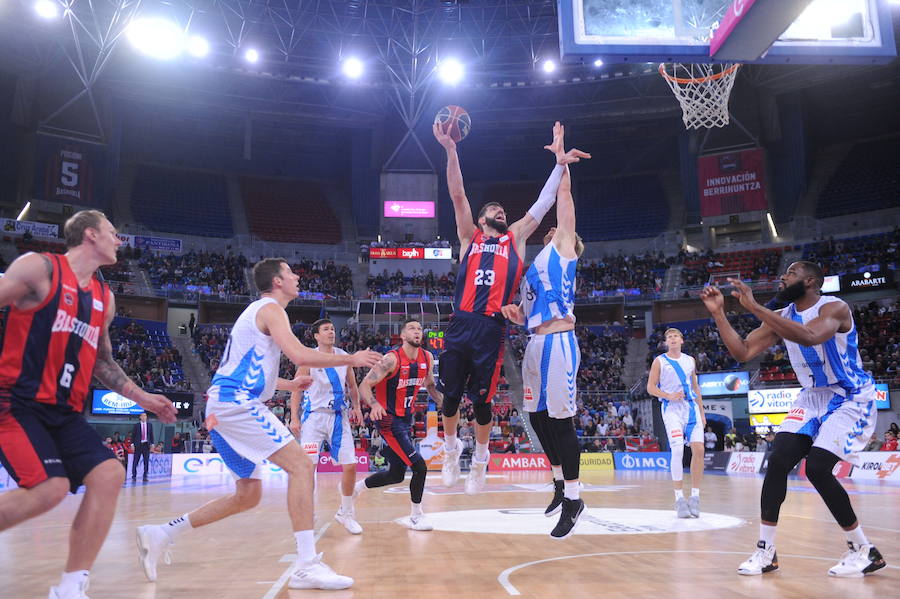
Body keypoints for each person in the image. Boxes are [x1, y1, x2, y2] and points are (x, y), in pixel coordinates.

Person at [135, 258, 381, 590]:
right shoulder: (270, 309)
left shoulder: (258, 314)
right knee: (301, 467)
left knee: (247, 495)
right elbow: (301, 356)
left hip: (224, 406)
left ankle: (163, 532)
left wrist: (290, 386)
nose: (296, 277)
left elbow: (250, 369)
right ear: (277, 281)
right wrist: (351, 358)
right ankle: (306, 566)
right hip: (237, 405)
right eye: (290, 273)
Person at [0, 210, 177, 599]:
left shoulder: (104, 299)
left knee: (109, 475)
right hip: (17, 402)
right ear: (91, 234)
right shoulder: (39, 269)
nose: (120, 241)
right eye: (115, 233)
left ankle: (70, 586)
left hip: (64, 411)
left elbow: (102, 362)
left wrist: (146, 398)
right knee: (49, 489)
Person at [700, 261, 886, 577]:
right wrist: (719, 314)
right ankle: (765, 551)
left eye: (791, 273)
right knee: (777, 461)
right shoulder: (782, 317)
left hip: (850, 395)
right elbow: (743, 352)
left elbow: (811, 337)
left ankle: (864, 549)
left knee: (816, 468)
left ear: (812, 281)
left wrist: (756, 307)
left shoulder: (835, 307)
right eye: (784, 272)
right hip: (812, 397)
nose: (783, 277)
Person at [433, 119, 589, 495]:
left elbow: (545, 202)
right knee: (450, 398)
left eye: (504, 211)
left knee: (483, 404)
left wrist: (559, 164)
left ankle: (481, 460)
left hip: (490, 328)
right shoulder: (469, 236)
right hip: (461, 322)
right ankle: (452, 450)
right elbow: (457, 194)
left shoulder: (515, 239)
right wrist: (451, 150)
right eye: (495, 211)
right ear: (483, 219)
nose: (501, 213)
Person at [502, 157, 589, 539]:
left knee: (559, 420)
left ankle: (574, 497)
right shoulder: (534, 266)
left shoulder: (564, 250)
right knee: (536, 417)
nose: (553, 228)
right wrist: (515, 315)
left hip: (558, 342)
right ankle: (557, 480)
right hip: (535, 341)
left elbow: (564, 198)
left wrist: (561, 161)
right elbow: (527, 314)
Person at [354, 317, 442, 530]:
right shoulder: (391, 360)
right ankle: (416, 516)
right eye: (412, 328)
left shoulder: (427, 358)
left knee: (396, 474)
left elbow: (430, 385)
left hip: (405, 419)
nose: (417, 331)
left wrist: (442, 401)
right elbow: (364, 385)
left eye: (420, 328)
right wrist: (374, 404)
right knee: (419, 467)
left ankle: (357, 488)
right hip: (387, 420)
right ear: (402, 335)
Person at [289, 318, 365, 535]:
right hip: (314, 419)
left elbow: (351, 385)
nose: (331, 332)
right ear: (316, 336)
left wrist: (357, 407)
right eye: (326, 329)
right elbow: (297, 389)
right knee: (308, 468)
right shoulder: (308, 359)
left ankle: (346, 512)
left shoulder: (344, 357)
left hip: (338, 417)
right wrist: (294, 418)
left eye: (332, 329)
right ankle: (308, 514)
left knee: (350, 464)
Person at [646, 328, 706, 519]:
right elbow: (650, 387)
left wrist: (702, 413)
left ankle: (695, 497)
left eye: (675, 336)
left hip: (691, 409)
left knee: (699, 450)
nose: (672, 339)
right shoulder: (660, 361)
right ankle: (679, 498)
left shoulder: (690, 361)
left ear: (682, 340)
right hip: (671, 409)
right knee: (678, 449)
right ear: (666, 342)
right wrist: (668, 395)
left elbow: (695, 387)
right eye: (669, 337)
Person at [131, 412, 155, 482]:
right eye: (143, 416)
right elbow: (133, 435)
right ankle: (134, 476)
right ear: (140, 417)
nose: (144, 417)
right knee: (135, 461)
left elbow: (151, 435)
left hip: (146, 445)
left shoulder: (149, 425)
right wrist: (132, 444)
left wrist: (152, 444)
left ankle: (145, 476)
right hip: (138, 445)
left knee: (146, 461)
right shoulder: (136, 425)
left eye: (145, 416)